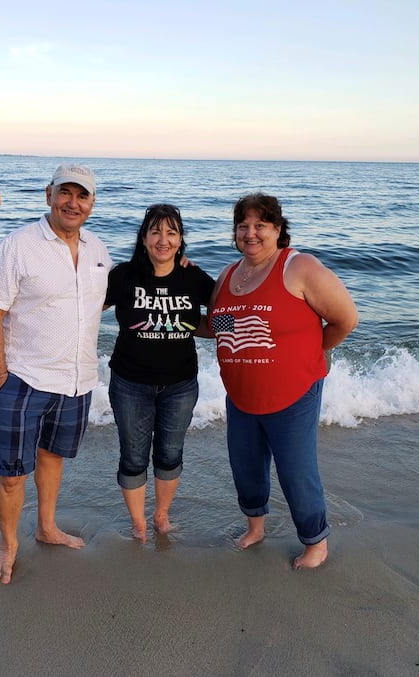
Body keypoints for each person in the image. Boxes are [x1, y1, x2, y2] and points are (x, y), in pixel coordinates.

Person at [0, 163, 112, 584]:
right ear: (49, 194)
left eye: (82, 195)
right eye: (65, 193)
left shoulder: (97, 250)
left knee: (52, 457)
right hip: (24, 379)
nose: (73, 202)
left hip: (77, 380)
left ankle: (47, 527)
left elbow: (99, 302)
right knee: (12, 474)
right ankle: (8, 545)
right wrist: (0, 378)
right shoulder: (18, 245)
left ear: (92, 203)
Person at [209, 193, 358, 569]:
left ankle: (315, 543)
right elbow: (221, 327)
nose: (250, 233)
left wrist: (311, 353)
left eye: (260, 225)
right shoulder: (228, 274)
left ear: (278, 229)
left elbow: (345, 320)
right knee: (245, 467)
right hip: (241, 393)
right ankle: (255, 529)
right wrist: (163, 315)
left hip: (294, 393)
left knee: (295, 471)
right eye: (243, 226)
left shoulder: (299, 267)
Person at [105, 204, 215, 542]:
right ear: (143, 238)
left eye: (171, 232)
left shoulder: (193, 277)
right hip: (129, 383)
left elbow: (223, 315)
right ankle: (138, 523)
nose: (163, 240)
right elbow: (84, 306)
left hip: (180, 384)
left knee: (169, 453)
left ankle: (161, 515)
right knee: (134, 455)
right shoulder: (123, 275)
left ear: (181, 240)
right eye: (155, 231)